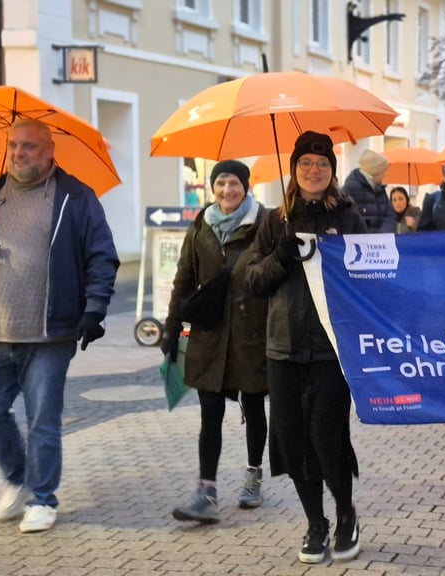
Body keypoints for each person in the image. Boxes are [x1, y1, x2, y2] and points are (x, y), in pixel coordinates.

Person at [0, 118, 119, 533]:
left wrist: (94, 309)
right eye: (13, 146)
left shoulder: (76, 197)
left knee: (42, 418)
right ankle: (18, 479)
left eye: (28, 147)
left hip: (49, 332)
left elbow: (101, 257)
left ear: (49, 150)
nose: (18, 153)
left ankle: (42, 498)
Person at [245, 131, 367, 564]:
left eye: (322, 163)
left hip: (333, 350)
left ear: (332, 172)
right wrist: (280, 255)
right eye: (305, 164)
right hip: (284, 348)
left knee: (326, 436)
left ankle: (346, 513)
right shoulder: (276, 220)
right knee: (293, 442)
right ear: (294, 171)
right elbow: (253, 281)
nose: (314, 170)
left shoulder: (349, 216)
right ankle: (316, 523)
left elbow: (370, 276)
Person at [162, 160, 270, 524]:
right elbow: (183, 280)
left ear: (246, 186)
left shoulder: (265, 223)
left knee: (253, 408)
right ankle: (206, 491)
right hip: (209, 335)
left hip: (252, 335)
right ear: (213, 188)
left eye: (234, 184)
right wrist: (172, 327)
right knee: (210, 413)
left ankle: (253, 473)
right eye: (221, 183)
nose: (227, 191)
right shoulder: (201, 225)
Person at [342, 149, 393, 232]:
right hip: (361, 242)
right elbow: (347, 220)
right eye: (383, 171)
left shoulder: (380, 189)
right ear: (374, 171)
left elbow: (389, 215)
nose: (385, 175)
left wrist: (383, 235)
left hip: (382, 242)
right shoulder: (351, 189)